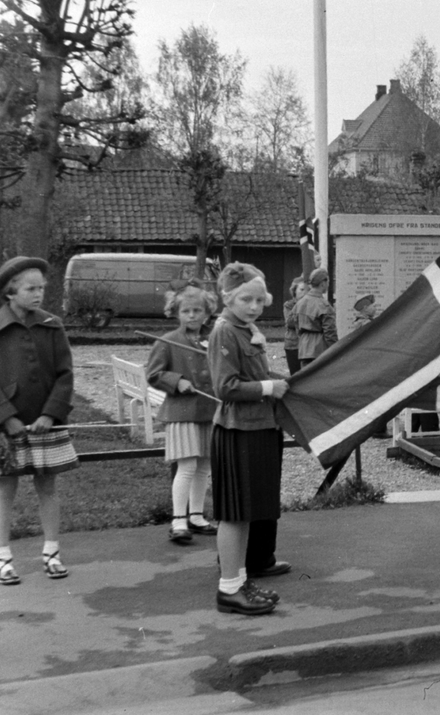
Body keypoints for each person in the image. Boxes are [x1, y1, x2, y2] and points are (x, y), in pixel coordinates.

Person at [0, 257, 78, 586]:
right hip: (8, 428)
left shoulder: (52, 324)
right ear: (10, 292)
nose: (39, 294)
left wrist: (51, 414)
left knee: (47, 487)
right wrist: (6, 419)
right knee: (5, 489)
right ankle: (2, 558)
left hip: (46, 423)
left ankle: (52, 552)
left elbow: (65, 374)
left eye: (42, 288)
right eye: (30, 288)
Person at [208, 263, 289, 615]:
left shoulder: (245, 328)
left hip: (258, 428)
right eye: (246, 299)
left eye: (259, 300)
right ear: (227, 297)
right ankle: (229, 588)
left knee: (248, 514)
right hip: (238, 429)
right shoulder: (225, 331)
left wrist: (278, 379)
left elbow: (252, 373)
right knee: (235, 514)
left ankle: (239, 579)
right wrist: (269, 387)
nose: (254, 306)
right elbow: (225, 387)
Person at [146, 282, 219, 545]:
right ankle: (178, 520)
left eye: (197, 310)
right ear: (176, 312)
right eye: (186, 311)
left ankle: (197, 516)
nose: (191, 315)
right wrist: (176, 381)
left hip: (209, 411)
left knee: (203, 467)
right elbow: (153, 374)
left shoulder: (213, 339)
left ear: (207, 312)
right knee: (186, 466)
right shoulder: (167, 341)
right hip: (182, 412)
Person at [294, 268, 337, 368]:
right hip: (320, 350)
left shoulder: (300, 303)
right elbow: (330, 333)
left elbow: (296, 325)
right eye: (328, 281)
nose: (328, 285)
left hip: (304, 349)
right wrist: (336, 350)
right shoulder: (324, 306)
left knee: (306, 381)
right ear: (322, 283)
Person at [282, 277, 306, 375]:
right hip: (293, 345)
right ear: (294, 291)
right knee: (295, 374)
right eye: (301, 289)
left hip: (307, 345)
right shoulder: (289, 305)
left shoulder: (311, 304)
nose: (304, 292)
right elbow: (290, 322)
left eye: (307, 289)